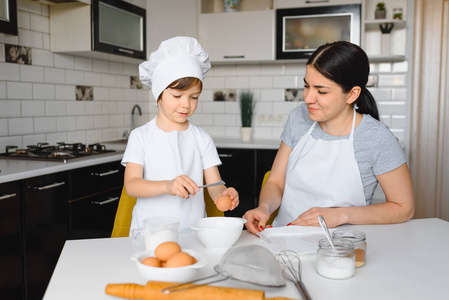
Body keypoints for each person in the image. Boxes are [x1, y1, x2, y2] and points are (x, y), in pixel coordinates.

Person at [243, 41, 415, 234]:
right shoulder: (298, 118)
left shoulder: (377, 138)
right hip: (285, 238)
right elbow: (276, 181)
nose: (308, 97)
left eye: (321, 91)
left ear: (352, 94)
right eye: (306, 86)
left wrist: (342, 215)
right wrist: (264, 207)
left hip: (343, 246)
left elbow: (403, 208)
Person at [122, 36, 239, 233]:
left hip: (192, 232)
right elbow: (132, 186)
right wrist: (168, 186)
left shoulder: (201, 138)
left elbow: (214, 185)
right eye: (177, 96)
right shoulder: (140, 136)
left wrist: (222, 195)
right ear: (158, 94)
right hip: (149, 233)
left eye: (194, 97)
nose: (186, 104)